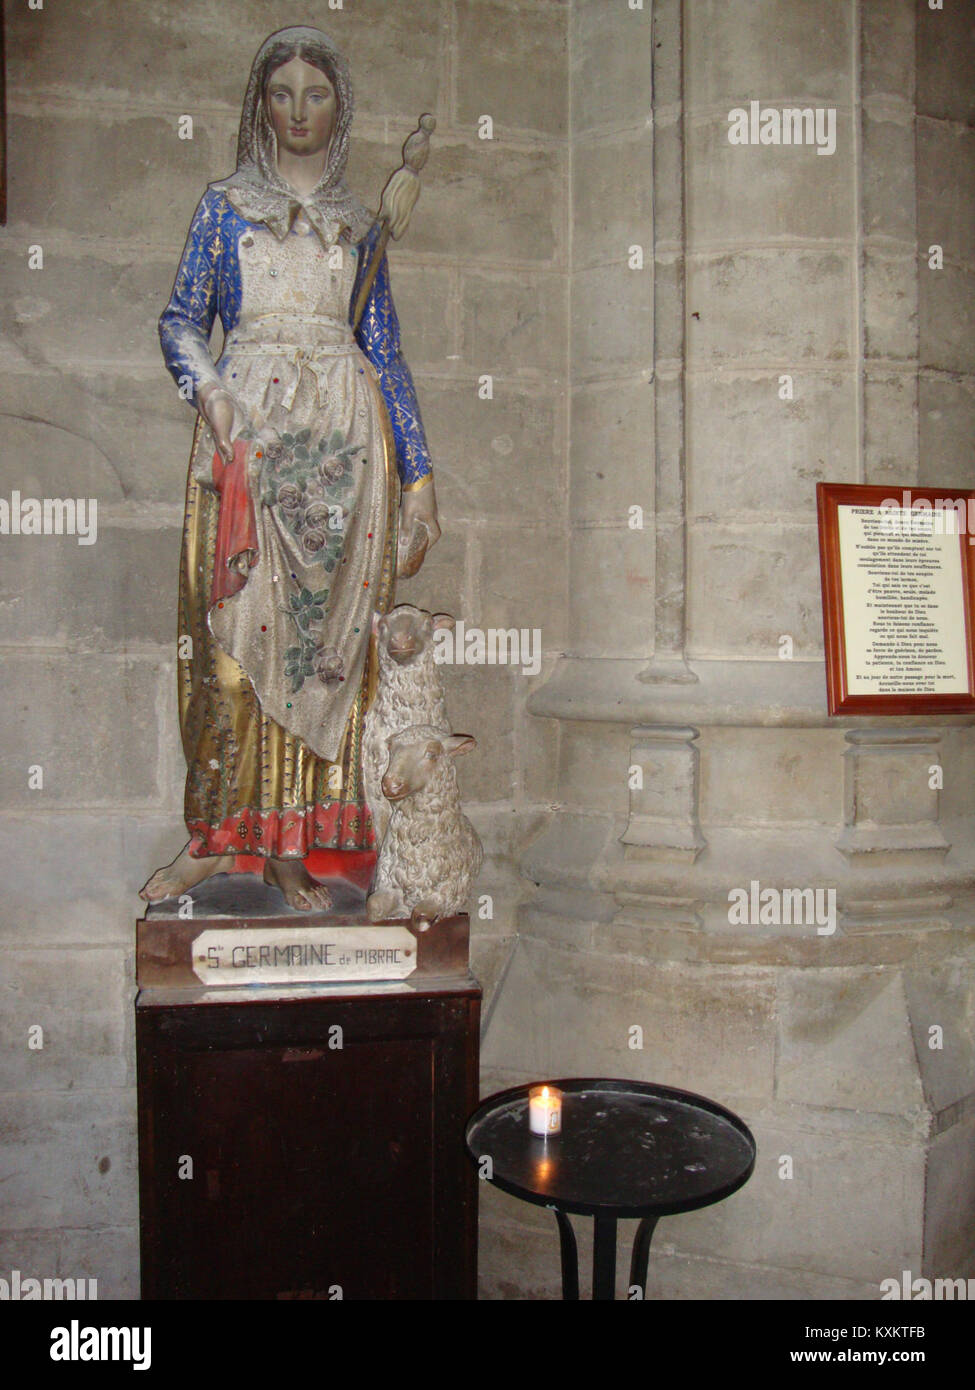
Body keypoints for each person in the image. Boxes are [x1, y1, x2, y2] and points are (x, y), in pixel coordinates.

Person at [141, 26, 439, 911]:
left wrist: (420, 478)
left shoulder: (358, 224)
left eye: (317, 95)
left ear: (338, 106)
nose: (299, 112)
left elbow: (383, 352)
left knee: (325, 657)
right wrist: (212, 395)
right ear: (258, 104)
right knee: (234, 649)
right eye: (283, 94)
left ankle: (289, 848)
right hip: (249, 446)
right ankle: (214, 837)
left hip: (346, 451)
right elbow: (178, 321)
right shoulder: (224, 205)